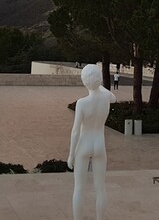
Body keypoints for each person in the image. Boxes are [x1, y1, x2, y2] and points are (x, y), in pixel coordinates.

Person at [68, 64, 116, 220]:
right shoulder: (106, 98)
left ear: (83, 81)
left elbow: (75, 131)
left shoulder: (82, 103)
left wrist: (71, 155)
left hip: (84, 145)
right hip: (99, 145)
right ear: (99, 79)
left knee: (79, 189)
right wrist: (99, 84)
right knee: (100, 189)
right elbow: (114, 97)